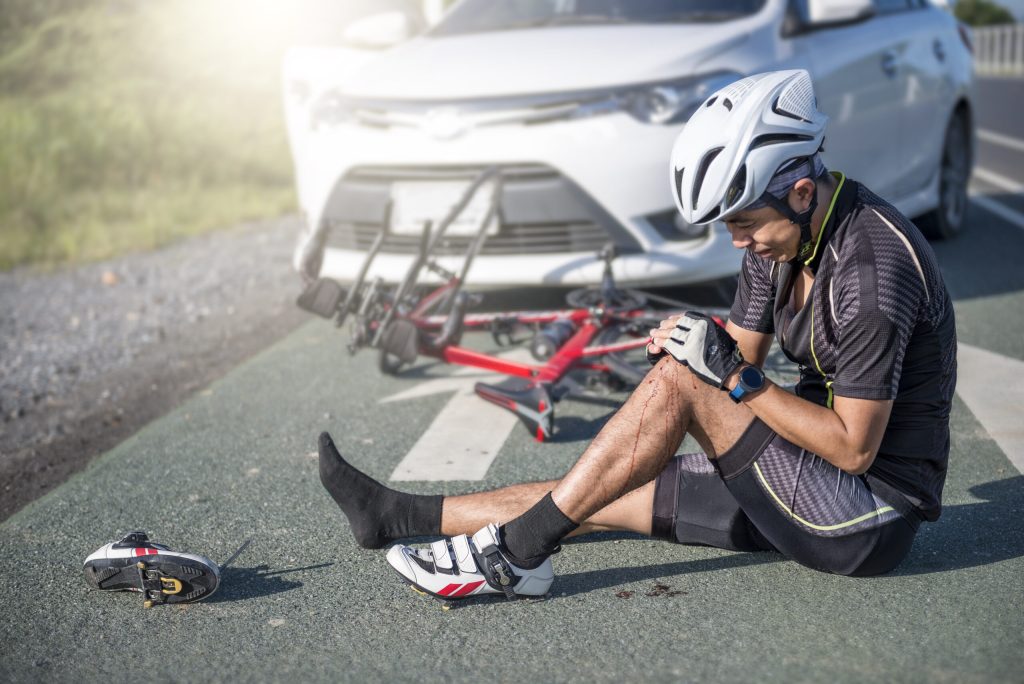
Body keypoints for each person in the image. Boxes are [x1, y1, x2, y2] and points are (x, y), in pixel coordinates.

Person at [317, 69, 957, 599]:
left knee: (680, 389)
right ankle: (397, 517)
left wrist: (725, 375)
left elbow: (850, 449)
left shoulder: (874, 271)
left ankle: (515, 556)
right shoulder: (777, 242)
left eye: (743, 222)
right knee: (603, 487)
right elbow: (739, 352)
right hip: (800, 470)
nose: (736, 241)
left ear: (799, 192)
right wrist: (695, 343)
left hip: (865, 516)